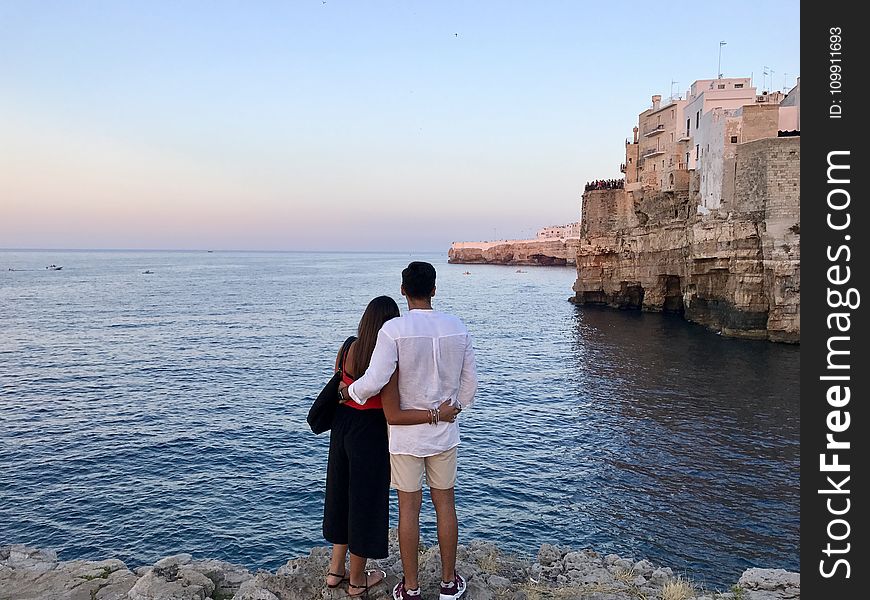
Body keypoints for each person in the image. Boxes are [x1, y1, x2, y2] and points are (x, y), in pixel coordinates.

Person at [339, 261, 477, 600]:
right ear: (434, 289)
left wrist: (349, 393)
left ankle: (411, 587)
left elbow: (375, 379)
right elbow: (470, 386)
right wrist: (450, 411)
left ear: (403, 290)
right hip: (444, 435)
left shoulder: (393, 331)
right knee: (446, 505)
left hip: (405, 439)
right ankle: (448, 583)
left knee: (408, 511)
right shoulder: (457, 328)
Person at [322, 295, 398, 597]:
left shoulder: (347, 347)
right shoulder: (387, 353)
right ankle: (356, 581)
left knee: (341, 496)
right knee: (364, 503)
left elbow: (338, 381)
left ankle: (334, 571)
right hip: (370, 431)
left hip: (341, 427)